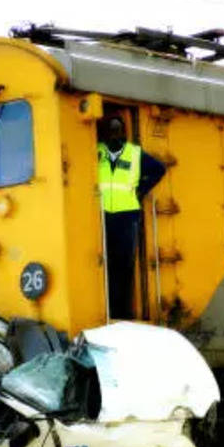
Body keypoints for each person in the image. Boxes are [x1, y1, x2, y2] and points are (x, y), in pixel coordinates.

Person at [97, 115, 167, 319]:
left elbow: (159, 169)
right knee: (105, 264)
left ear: (124, 133)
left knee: (124, 265)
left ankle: (122, 312)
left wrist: (141, 190)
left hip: (126, 216)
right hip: (103, 216)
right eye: (111, 130)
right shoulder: (97, 152)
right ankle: (108, 309)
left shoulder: (134, 154)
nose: (114, 134)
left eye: (117, 130)